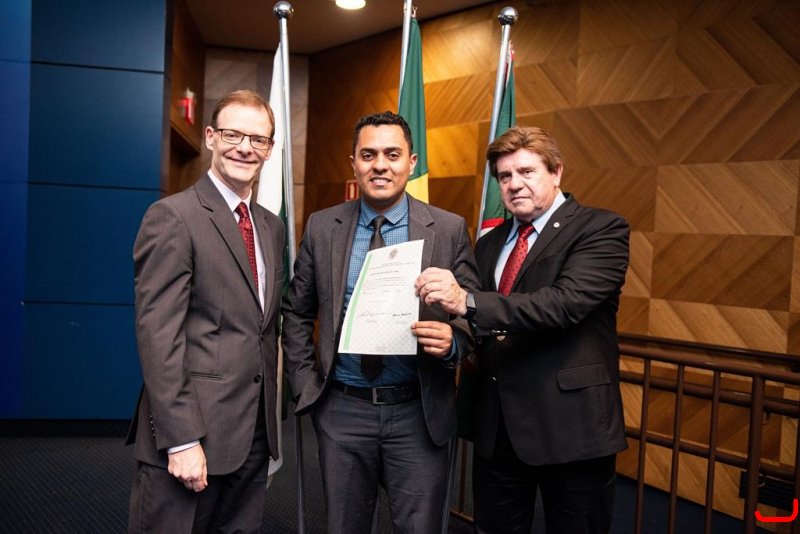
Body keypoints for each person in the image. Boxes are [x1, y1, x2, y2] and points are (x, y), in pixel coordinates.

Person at [416, 126, 629, 533]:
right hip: (498, 427)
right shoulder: (489, 243)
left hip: (572, 427)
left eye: (527, 171)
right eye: (505, 176)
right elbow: (479, 322)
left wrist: (467, 302)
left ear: (556, 172)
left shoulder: (601, 228)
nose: (514, 184)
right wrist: (454, 336)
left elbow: (564, 304)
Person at [282, 111, 480, 532]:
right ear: (353, 162)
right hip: (342, 410)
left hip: (417, 412)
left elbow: (471, 310)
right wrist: (305, 385)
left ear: (411, 162)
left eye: (392, 154)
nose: (380, 165)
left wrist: (453, 342)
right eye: (368, 155)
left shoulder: (447, 229)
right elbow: (296, 310)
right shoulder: (323, 227)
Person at [126, 90, 285, 533]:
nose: (245, 148)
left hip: (253, 435)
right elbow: (159, 337)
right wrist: (180, 439)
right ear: (211, 137)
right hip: (190, 435)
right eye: (233, 135)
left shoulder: (270, 227)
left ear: (270, 149)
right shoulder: (172, 216)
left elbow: (260, 329)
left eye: (257, 139)